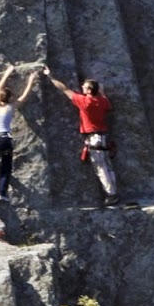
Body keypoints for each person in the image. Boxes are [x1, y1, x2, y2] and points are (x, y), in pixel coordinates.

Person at [44, 70, 119, 206]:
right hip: (103, 138)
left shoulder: (85, 102)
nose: (82, 88)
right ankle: (114, 191)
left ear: (89, 90)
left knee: (101, 168)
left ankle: (111, 195)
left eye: (84, 87)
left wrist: (50, 76)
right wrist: (101, 92)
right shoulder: (102, 101)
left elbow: (64, 89)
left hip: (94, 139)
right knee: (108, 166)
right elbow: (108, 105)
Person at [0, 65, 39, 203]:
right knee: (6, 168)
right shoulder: (11, 107)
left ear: (0, 97)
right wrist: (31, 80)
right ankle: (1, 194)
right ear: (10, 98)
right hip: (6, 140)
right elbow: (24, 95)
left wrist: (7, 73)